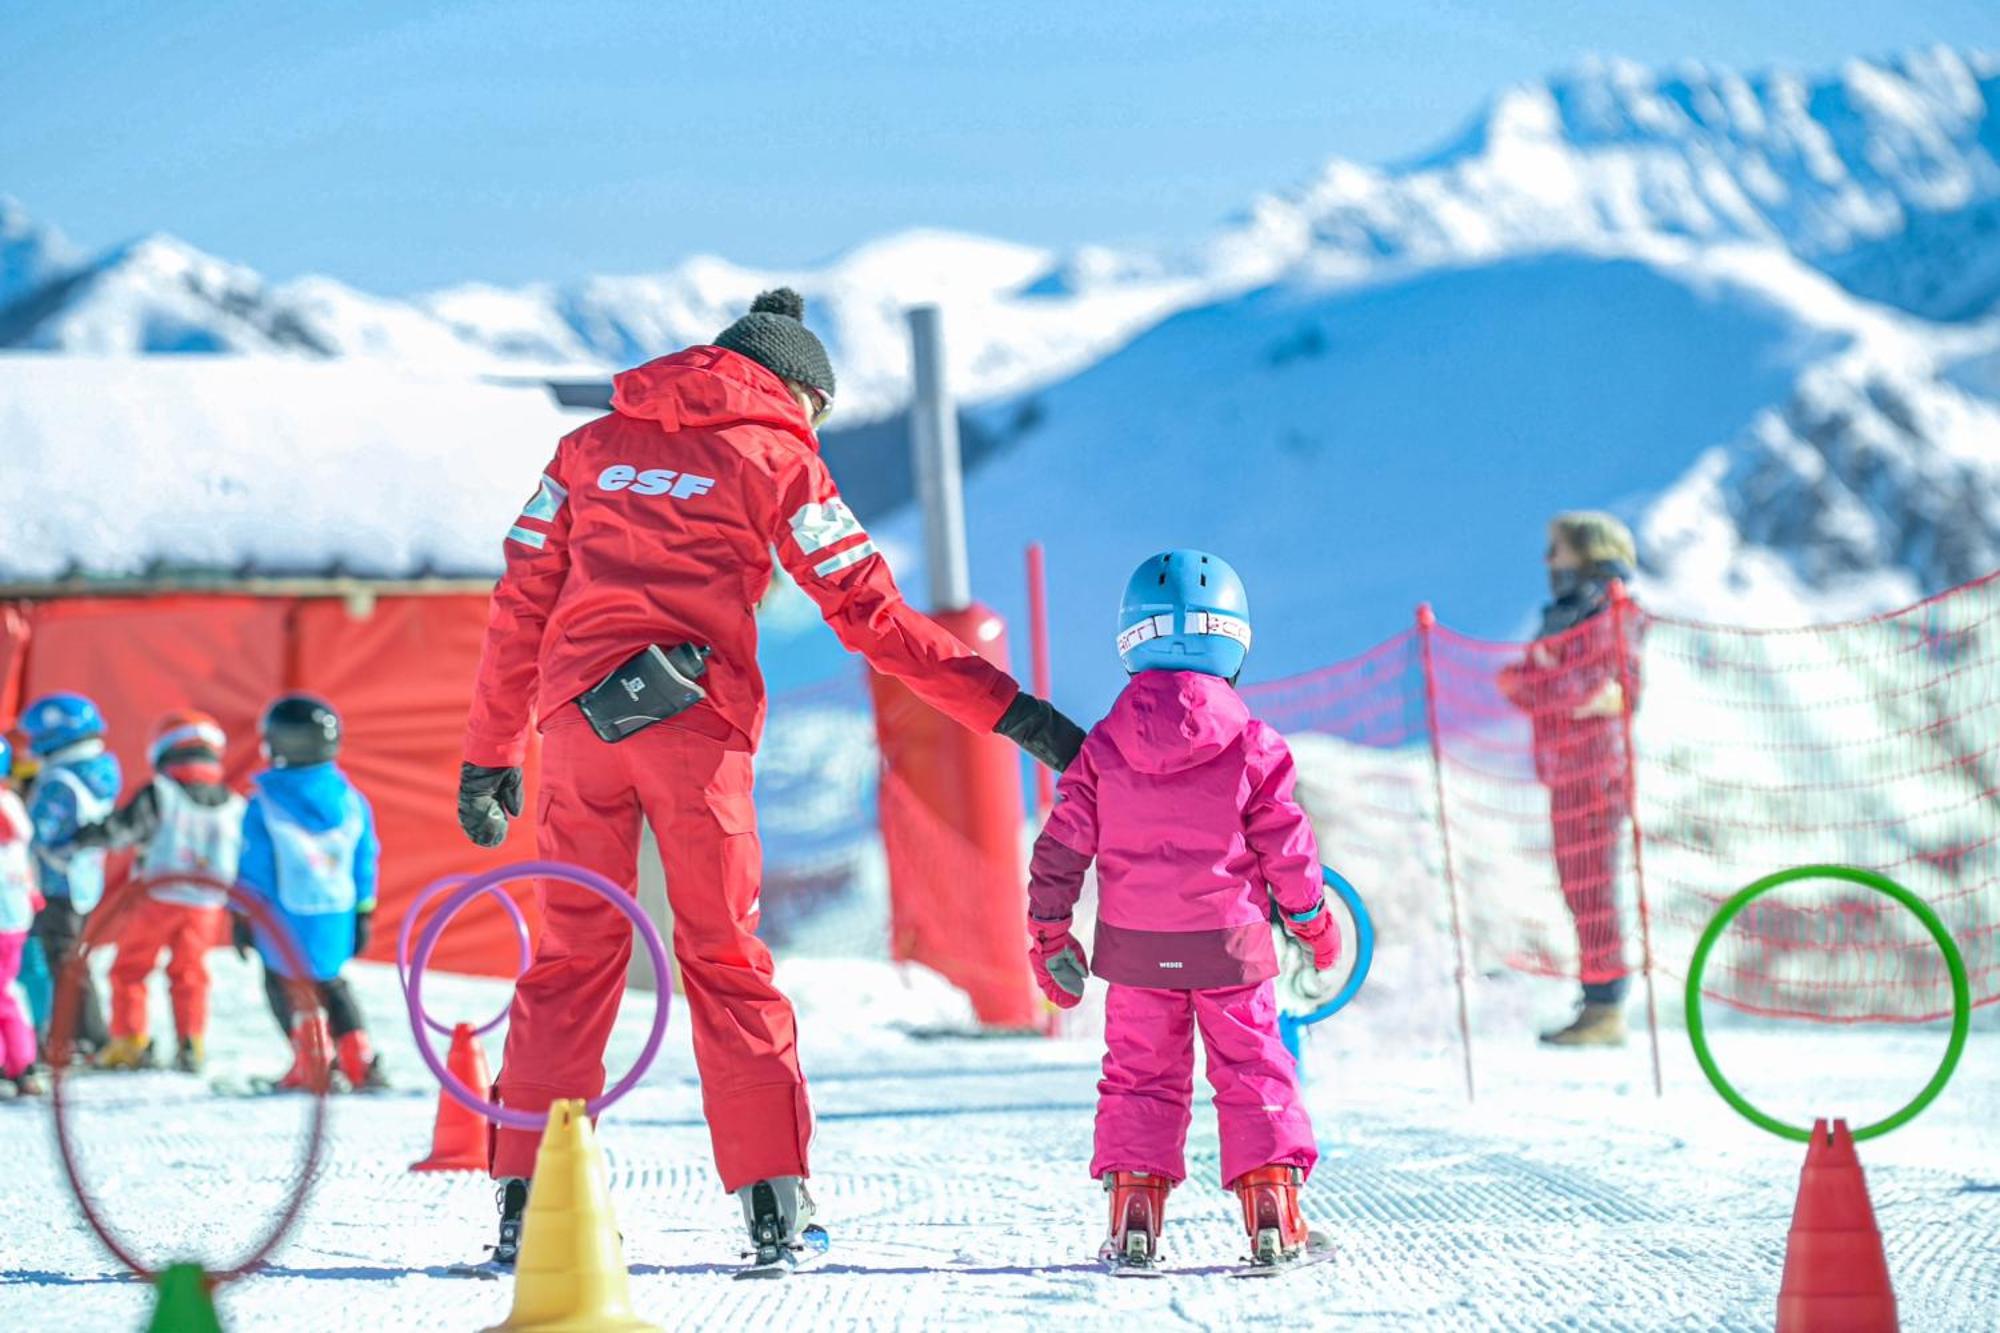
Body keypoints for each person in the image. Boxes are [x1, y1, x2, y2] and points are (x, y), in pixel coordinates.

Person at [457, 287, 1084, 1269]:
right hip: (693, 733)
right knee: (722, 958)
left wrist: (489, 751)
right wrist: (1017, 717)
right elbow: (874, 617)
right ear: (796, 391)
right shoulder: (779, 457)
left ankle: (524, 1207)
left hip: (576, 724)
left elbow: (519, 601)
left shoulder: (584, 451)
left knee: (570, 959)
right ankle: (771, 1210)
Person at [1025, 550, 1339, 1269]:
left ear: (1131, 640)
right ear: (1233, 641)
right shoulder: (1254, 743)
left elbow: (1060, 847)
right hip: (1230, 946)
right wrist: (1313, 924)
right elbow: (1288, 849)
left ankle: (1134, 1217)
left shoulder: (1104, 747)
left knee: (1139, 1076)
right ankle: (1274, 1217)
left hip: (1137, 952)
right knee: (1254, 1067)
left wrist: (1049, 932)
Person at [1497, 511, 1643, 1047]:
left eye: (1556, 550)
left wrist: (1543, 684)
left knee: (1597, 889)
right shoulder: (1561, 617)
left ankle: (1607, 1008)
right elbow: (1525, 682)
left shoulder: (1615, 611)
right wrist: (1544, 685)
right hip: (1563, 772)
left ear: (1585, 552)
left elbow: (1598, 689)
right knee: (1577, 889)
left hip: (1597, 774)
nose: (1547, 562)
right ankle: (1594, 1001)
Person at [76, 711, 244, 1074]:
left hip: (157, 898)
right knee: (191, 973)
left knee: (131, 969)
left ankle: (130, 1041)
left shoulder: (160, 792)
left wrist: (86, 834)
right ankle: (191, 1042)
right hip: (207, 906)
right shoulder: (234, 803)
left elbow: (124, 830)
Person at [235, 694, 386, 1091]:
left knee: (283, 982)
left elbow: (255, 868)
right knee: (332, 982)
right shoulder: (352, 801)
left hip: (281, 914)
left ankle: (312, 1059)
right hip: (337, 913)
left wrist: (242, 915)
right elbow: (365, 857)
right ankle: (358, 1059)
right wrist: (364, 911)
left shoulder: (263, 803)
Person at [22, 693, 121, 1059]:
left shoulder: (59, 781)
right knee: (71, 960)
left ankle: (84, 1037)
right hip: (83, 881)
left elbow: (36, 831)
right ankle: (82, 1036)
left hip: (54, 884)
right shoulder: (102, 770)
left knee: (61, 964)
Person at [0, 736, 45, 1095]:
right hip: (14, 913)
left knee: (4, 994)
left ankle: (22, 1064)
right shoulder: (11, 802)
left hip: (5, 918)